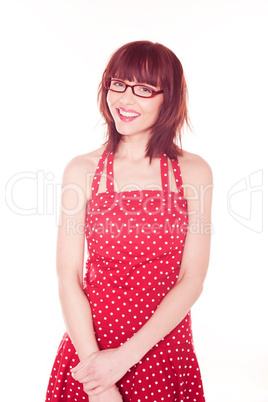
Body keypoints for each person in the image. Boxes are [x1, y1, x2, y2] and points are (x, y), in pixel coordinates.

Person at [45, 40, 213, 402]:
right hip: (90, 355)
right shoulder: (82, 170)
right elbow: (68, 277)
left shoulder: (194, 172)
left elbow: (192, 279)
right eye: (117, 84)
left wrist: (123, 359)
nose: (125, 98)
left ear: (168, 98)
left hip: (164, 354)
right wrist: (99, 378)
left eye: (144, 89)